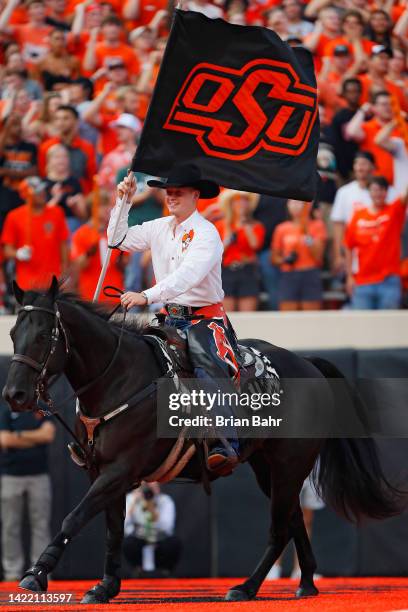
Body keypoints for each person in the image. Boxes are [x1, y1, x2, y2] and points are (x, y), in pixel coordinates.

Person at [108, 164, 240, 473]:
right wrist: (123, 201)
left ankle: (226, 443)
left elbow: (188, 277)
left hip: (203, 320)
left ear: (196, 195)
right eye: (169, 191)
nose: (171, 195)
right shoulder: (159, 226)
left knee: (209, 369)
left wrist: (147, 295)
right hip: (169, 317)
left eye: (179, 191)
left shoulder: (207, 233)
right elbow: (117, 239)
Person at [0, 400, 56, 581]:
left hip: (39, 476)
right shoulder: (6, 411)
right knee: (10, 526)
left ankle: (39, 571)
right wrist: (34, 437)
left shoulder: (43, 409)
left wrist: (18, 436)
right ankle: (12, 573)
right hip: (11, 476)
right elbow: (4, 439)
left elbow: (48, 435)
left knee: (41, 526)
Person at [344, 176, 408, 310]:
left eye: (381, 190)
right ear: (369, 192)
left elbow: (405, 195)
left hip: (388, 281)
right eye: (374, 190)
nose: (377, 193)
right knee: (362, 327)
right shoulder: (358, 215)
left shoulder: (394, 211)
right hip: (362, 282)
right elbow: (348, 246)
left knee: (388, 326)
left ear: (386, 192)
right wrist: (350, 276)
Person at [331, 150, 398, 275]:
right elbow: (338, 225)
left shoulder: (389, 192)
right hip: (355, 254)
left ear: (373, 167)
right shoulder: (344, 192)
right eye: (357, 164)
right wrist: (338, 255)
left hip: (383, 254)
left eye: (364, 164)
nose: (360, 167)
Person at [1, 176, 69, 291]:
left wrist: (65, 271)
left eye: (43, 190)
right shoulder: (14, 216)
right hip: (27, 283)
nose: (42, 193)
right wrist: (18, 253)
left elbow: (63, 244)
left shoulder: (57, 212)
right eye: (38, 192)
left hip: (52, 282)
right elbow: (7, 250)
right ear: (26, 195)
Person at [71, 190, 127, 302]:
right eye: (102, 206)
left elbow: (124, 263)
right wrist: (89, 252)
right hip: (90, 293)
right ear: (92, 209)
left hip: (113, 291)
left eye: (109, 205)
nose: (107, 209)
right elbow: (78, 265)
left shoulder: (116, 232)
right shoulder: (81, 233)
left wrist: (120, 259)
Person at [272, 200, 327, 311]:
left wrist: (307, 234)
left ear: (308, 205)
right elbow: (274, 258)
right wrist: (285, 260)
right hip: (289, 274)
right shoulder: (281, 228)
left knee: (311, 318)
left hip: (310, 273)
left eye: (299, 202)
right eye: (292, 203)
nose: (295, 206)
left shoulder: (317, 225)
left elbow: (318, 256)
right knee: (288, 318)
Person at [215, 190, 265, 312]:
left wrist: (245, 225)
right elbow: (217, 252)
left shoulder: (256, 226)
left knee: (247, 316)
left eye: (245, 201)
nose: (241, 204)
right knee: (228, 317)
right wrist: (229, 232)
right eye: (237, 201)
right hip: (227, 270)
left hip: (247, 269)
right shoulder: (221, 225)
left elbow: (255, 245)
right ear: (231, 204)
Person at [123, 483, 181, 577]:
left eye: (154, 487)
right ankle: (137, 569)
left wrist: (152, 508)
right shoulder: (131, 498)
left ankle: (165, 570)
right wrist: (133, 503)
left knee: (173, 543)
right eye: (148, 487)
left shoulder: (165, 501)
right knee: (128, 543)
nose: (150, 491)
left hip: (160, 537)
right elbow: (124, 525)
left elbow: (167, 527)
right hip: (139, 536)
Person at [38, 105, 97, 194]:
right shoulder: (46, 147)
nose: (60, 122)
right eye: (57, 119)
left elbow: (91, 176)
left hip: (79, 196)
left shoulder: (87, 147)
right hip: (51, 195)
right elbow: (43, 174)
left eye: (66, 118)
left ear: (76, 121)